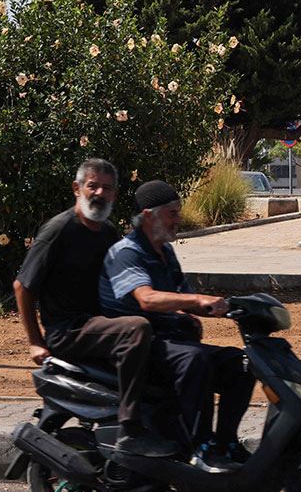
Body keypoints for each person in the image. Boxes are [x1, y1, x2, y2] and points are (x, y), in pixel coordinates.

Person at [12, 159, 179, 458]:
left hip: (100, 324)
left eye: (107, 188)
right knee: (136, 328)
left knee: (170, 334)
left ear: (115, 194)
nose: (99, 193)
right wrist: (35, 342)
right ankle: (130, 430)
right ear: (77, 189)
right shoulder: (59, 230)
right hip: (68, 330)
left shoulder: (107, 232)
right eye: (93, 186)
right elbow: (22, 287)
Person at [100, 180, 255, 473]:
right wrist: (196, 298)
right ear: (149, 216)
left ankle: (226, 443)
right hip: (141, 346)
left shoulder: (165, 253)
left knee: (242, 364)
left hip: (170, 342)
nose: (178, 219)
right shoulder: (126, 252)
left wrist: (233, 307)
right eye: (172, 213)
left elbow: (187, 300)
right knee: (195, 360)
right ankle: (199, 447)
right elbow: (146, 298)